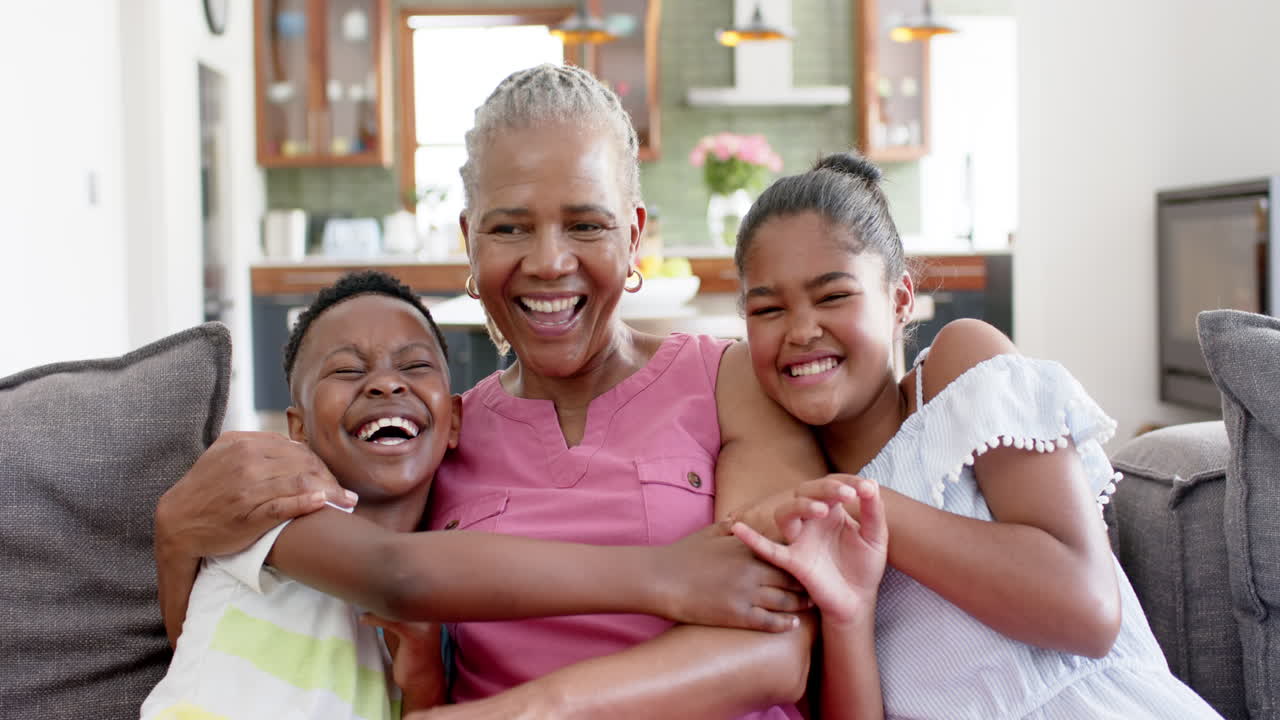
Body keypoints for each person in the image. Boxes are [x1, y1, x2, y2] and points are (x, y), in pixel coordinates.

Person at [154, 64, 831, 719]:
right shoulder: (437, 434)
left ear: (633, 236)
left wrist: (527, 711)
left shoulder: (729, 380)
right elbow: (331, 578)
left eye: (586, 224)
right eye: (509, 228)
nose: (548, 261)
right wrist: (178, 528)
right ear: (469, 247)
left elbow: (775, 653)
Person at [142, 270, 810, 719]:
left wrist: (428, 673)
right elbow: (396, 576)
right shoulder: (281, 503)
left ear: (458, 418)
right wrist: (664, 575)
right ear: (295, 427)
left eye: (414, 367)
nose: (384, 384)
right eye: (347, 371)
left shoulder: (442, 583)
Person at [728, 151, 1225, 719]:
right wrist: (847, 610)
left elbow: (1086, 611)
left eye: (834, 296)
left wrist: (866, 504)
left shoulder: (958, 375)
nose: (801, 330)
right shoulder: (790, 488)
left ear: (899, 302)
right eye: (767, 309)